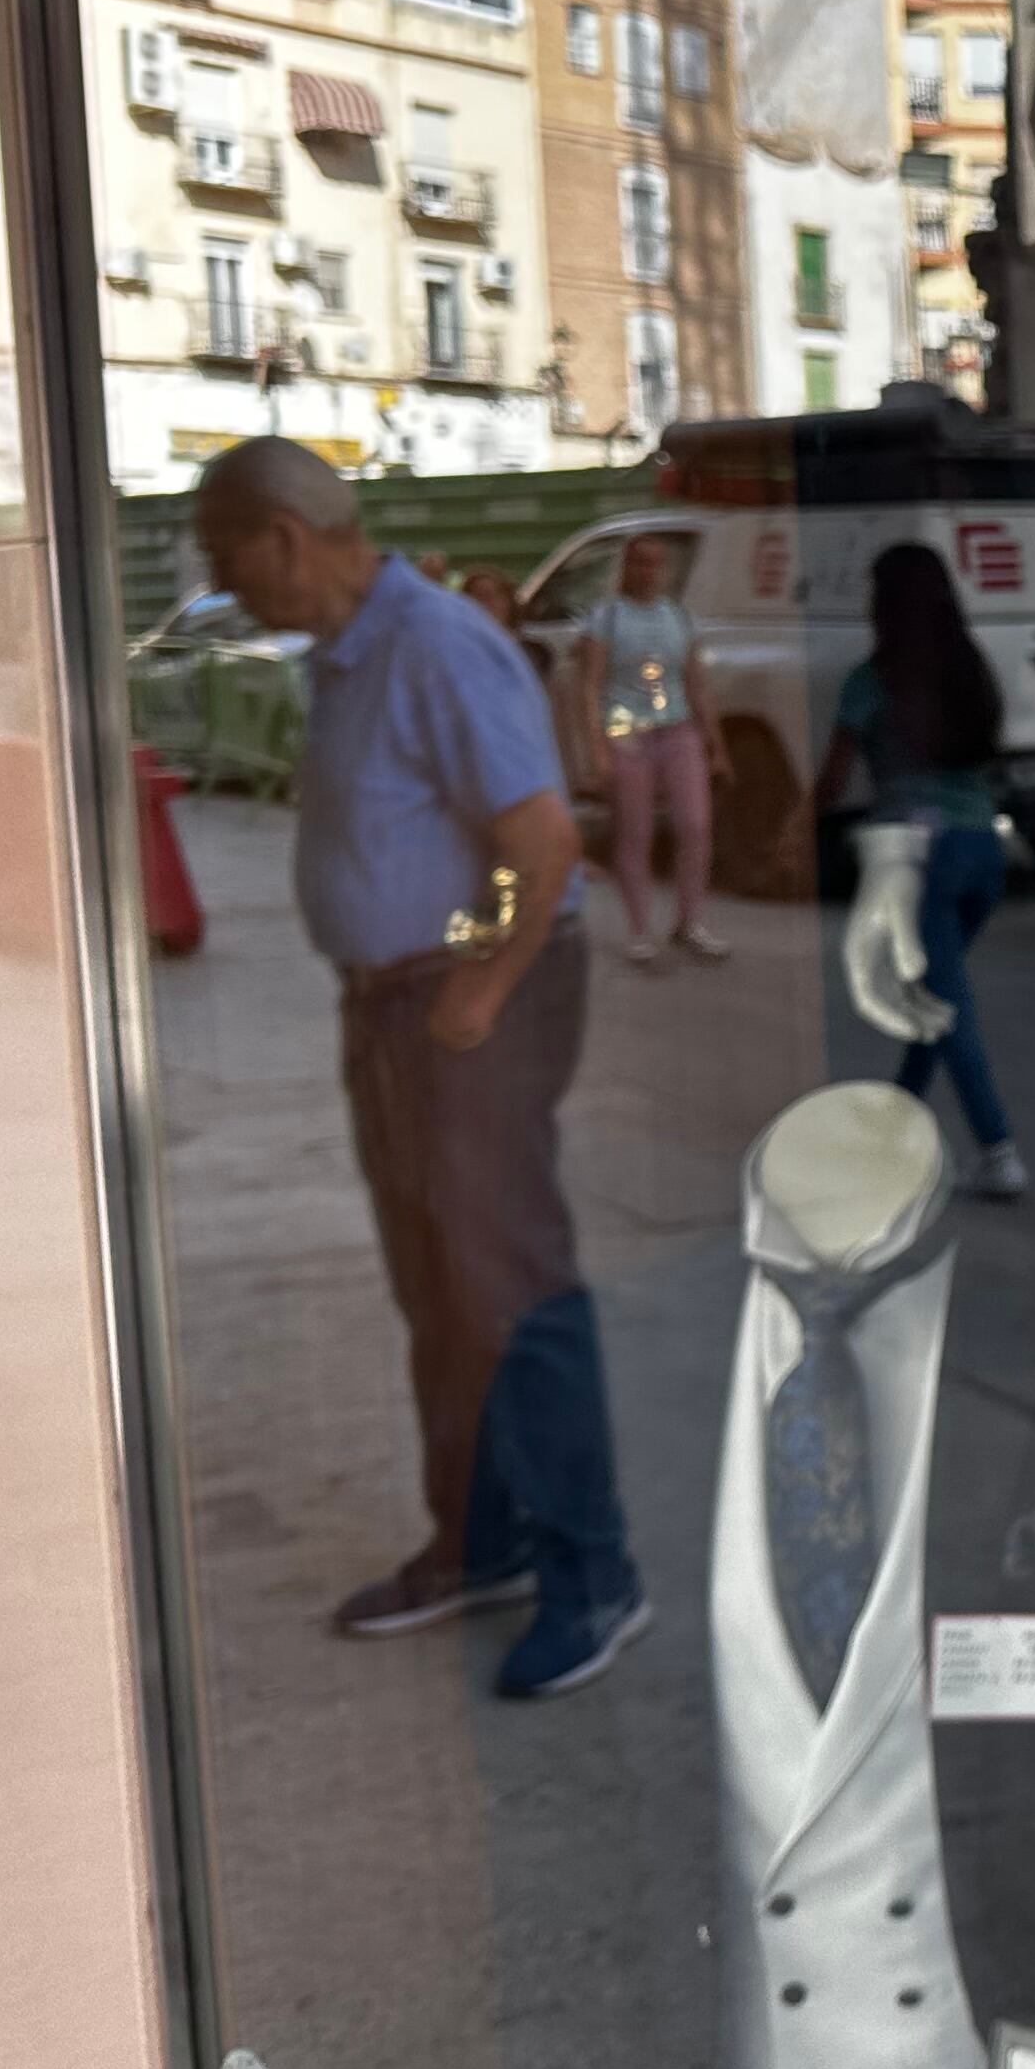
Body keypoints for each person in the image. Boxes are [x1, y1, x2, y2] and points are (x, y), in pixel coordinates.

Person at [190, 436, 646, 1698]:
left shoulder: (435, 643)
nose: (225, 589)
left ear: (285, 538)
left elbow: (539, 847)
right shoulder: (353, 654)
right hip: (401, 1006)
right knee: (439, 1293)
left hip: (462, 1008)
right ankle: (480, 1543)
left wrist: (476, 988)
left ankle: (594, 1577)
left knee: (510, 1285)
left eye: (228, 561)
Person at [817, 541, 1025, 1198]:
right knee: (937, 996)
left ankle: (999, 1151)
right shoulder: (970, 669)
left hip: (913, 861)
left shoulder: (870, 681)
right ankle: (887, 1135)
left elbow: (831, 780)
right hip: (980, 853)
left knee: (942, 1007)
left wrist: (792, 833)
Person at [574, 533, 729, 968]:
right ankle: (640, 929)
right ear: (627, 566)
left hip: (677, 729)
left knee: (695, 826)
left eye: (655, 564)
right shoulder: (607, 618)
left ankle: (690, 920)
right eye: (640, 563)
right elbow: (590, 686)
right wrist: (597, 748)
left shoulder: (677, 616)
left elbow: (696, 681)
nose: (647, 572)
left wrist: (715, 742)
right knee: (635, 831)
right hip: (627, 730)